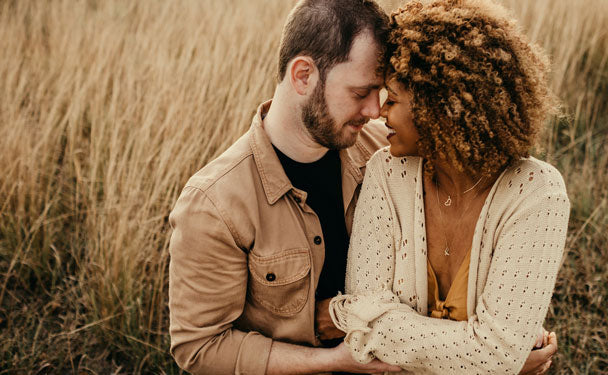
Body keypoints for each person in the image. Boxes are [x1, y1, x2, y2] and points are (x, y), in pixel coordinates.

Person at [168, 0, 557, 374]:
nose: (375, 111)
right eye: (360, 93)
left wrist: (493, 353)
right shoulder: (214, 203)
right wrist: (334, 360)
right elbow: (199, 348)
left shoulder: (389, 150)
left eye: (383, 93)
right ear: (303, 75)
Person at [328, 0, 570, 374]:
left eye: (392, 98)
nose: (379, 112)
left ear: (439, 107)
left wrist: (382, 327)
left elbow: (498, 353)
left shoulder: (537, 193)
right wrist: (490, 360)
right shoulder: (387, 173)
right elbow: (361, 334)